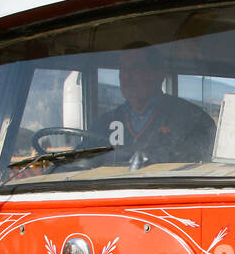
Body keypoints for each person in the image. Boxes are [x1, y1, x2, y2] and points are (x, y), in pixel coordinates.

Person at [82, 44, 214, 168]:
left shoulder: (192, 119)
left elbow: (201, 165)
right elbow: (80, 162)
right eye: (122, 68)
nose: (126, 76)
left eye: (135, 68)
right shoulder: (104, 123)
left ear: (159, 74)